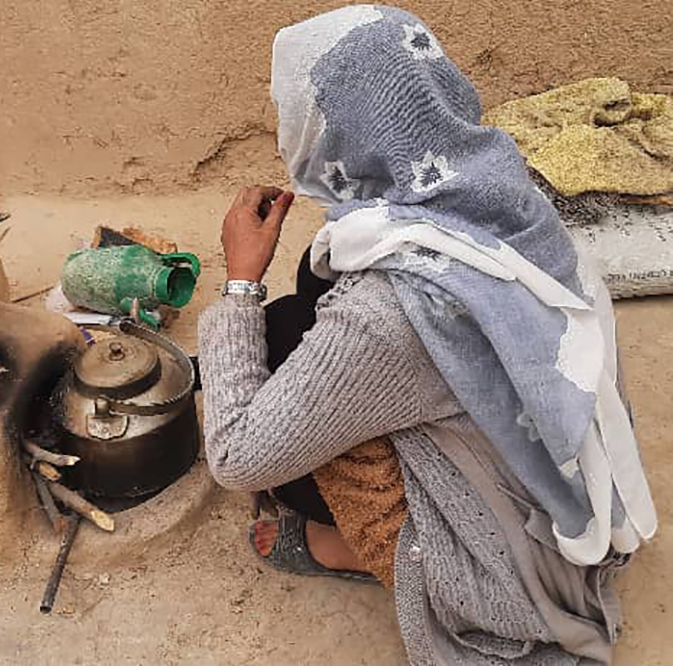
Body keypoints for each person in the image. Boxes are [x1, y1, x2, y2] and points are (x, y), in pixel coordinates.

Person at [197, 6, 657, 664]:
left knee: (272, 355)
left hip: (506, 555)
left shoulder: (386, 313)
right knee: (310, 288)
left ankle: (346, 548)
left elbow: (237, 455)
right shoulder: (497, 183)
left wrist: (240, 278)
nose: (283, 124)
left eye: (292, 108)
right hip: (554, 468)